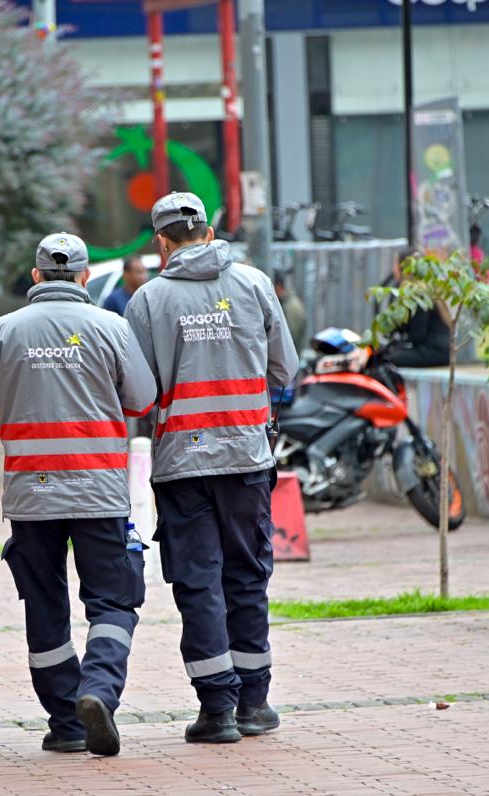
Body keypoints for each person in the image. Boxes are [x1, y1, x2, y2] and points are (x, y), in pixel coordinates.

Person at [0, 232, 156, 757]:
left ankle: (67, 723)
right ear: (86, 277)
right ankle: (97, 690)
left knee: (45, 604)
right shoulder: (110, 326)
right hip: (100, 492)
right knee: (113, 600)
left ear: (35, 277)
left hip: (32, 496)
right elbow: (141, 397)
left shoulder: (4, 330)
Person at [125, 192, 299, 744]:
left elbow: (138, 392)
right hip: (247, 459)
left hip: (181, 464)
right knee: (247, 575)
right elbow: (285, 369)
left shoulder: (148, 300)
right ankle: (255, 703)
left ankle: (217, 710)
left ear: (161, 240)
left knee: (198, 582)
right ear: (209, 229)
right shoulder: (253, 285)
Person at [382, 249, 451, 369]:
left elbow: (418, 335)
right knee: (387, 355)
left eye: (395, 263)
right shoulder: (422, 289)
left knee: (387, 359)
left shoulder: (418, 295)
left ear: (402, 268)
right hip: (437, 349)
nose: (393, 268)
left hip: (435, 351)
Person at [273, 272, 307, 355]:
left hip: (287, 362)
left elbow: (288, 339)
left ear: (278, 286)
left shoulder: (291, 307)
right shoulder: (287, 303)